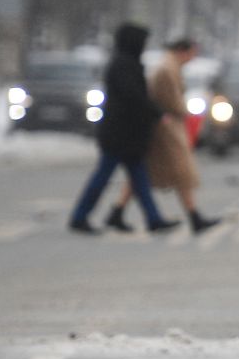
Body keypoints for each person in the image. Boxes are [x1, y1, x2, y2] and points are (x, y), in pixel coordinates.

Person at [68, 22, 179, 234]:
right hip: (119, 135)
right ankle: (79, 216)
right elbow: (134, 98)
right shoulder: (123, 66)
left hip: (128, 135)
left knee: (140, 179)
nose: (144, 46)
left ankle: (153, 218)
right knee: (104, 177)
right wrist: (156, 113)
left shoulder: (126, 63)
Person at [104, 37, 219, 234]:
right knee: (182, 173)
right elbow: (172, 101)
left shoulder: (168, 66)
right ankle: (193, 217)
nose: (192, 58)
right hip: (166, 130)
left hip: (163, 127)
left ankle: (118, 211)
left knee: (143, 174)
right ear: (183, 51)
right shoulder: (167, 69)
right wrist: (185, 113)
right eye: (192, 53)